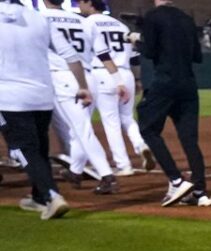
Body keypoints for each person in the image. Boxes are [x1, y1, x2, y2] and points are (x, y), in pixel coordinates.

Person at [2, 0, 89, 218]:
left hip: (8, 98)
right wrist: (83, 87)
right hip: (42, 96)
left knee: (21, 148)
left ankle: (52, 196)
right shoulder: (38, 18)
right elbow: (70, 54)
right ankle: (39, 197)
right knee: (40, 146)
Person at [137, 0, 211, 206]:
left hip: (165, 82)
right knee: (189, 139)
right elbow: (197, 56)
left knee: (148, 129)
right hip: (188, 84)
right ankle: (200, 192)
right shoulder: (187, 19)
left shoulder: (153, 16)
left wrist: (136, 40)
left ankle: (176, 180)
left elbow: (149, 51)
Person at [38, 0, 110, 184]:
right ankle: (76, 171)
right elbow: (101, 52)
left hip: (62, 77)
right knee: (78, 128)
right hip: (88, 76)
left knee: (80, 129)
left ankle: (107, 175)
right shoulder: (82, 20)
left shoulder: (40, 18)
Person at [77, 0, 146, 188]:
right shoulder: (120, 24)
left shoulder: (88, 23)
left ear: (90, 4)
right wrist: (137, 79)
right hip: (126, 73)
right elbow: (135, 56)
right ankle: (141, 146)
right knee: (127, 117)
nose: (78, 5)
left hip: (103, 72)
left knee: (111, 121)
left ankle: (124, 165)